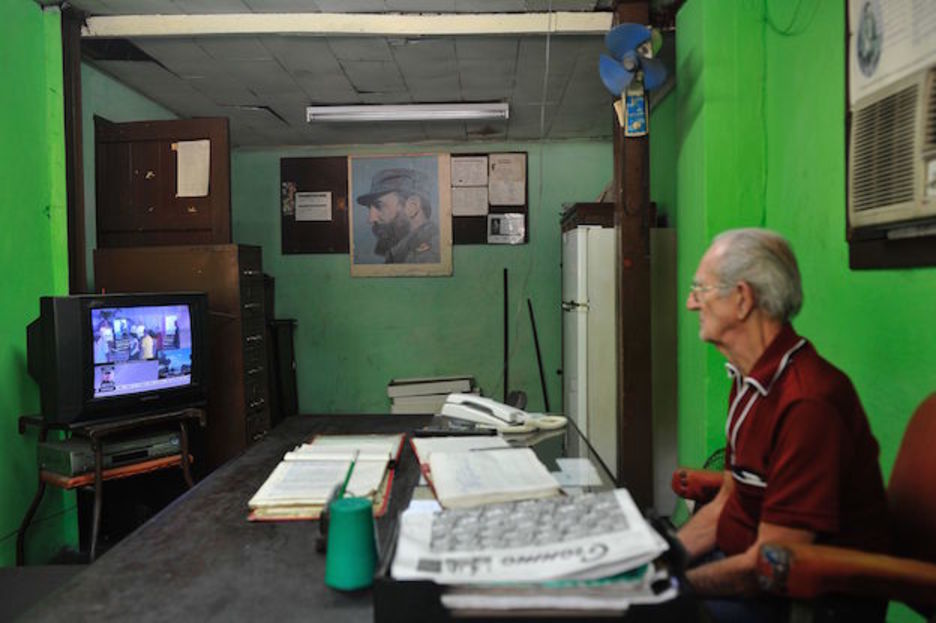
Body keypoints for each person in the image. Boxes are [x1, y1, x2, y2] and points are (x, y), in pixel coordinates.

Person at [679, 228, 891, 622]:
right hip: (739, 565)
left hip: (799, 601)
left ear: (742, 299)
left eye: (701, 289)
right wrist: (662, 559)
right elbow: (728, 500)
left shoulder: (807, 402)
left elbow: (769, 567)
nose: (692, 303)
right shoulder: (750, 380)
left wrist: (672, 588)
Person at [356, 168, 440, 264]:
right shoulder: (403, 253)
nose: (370, 219)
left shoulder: (426, 257)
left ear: (412, 207)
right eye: (369, 208)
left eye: (379, 206)